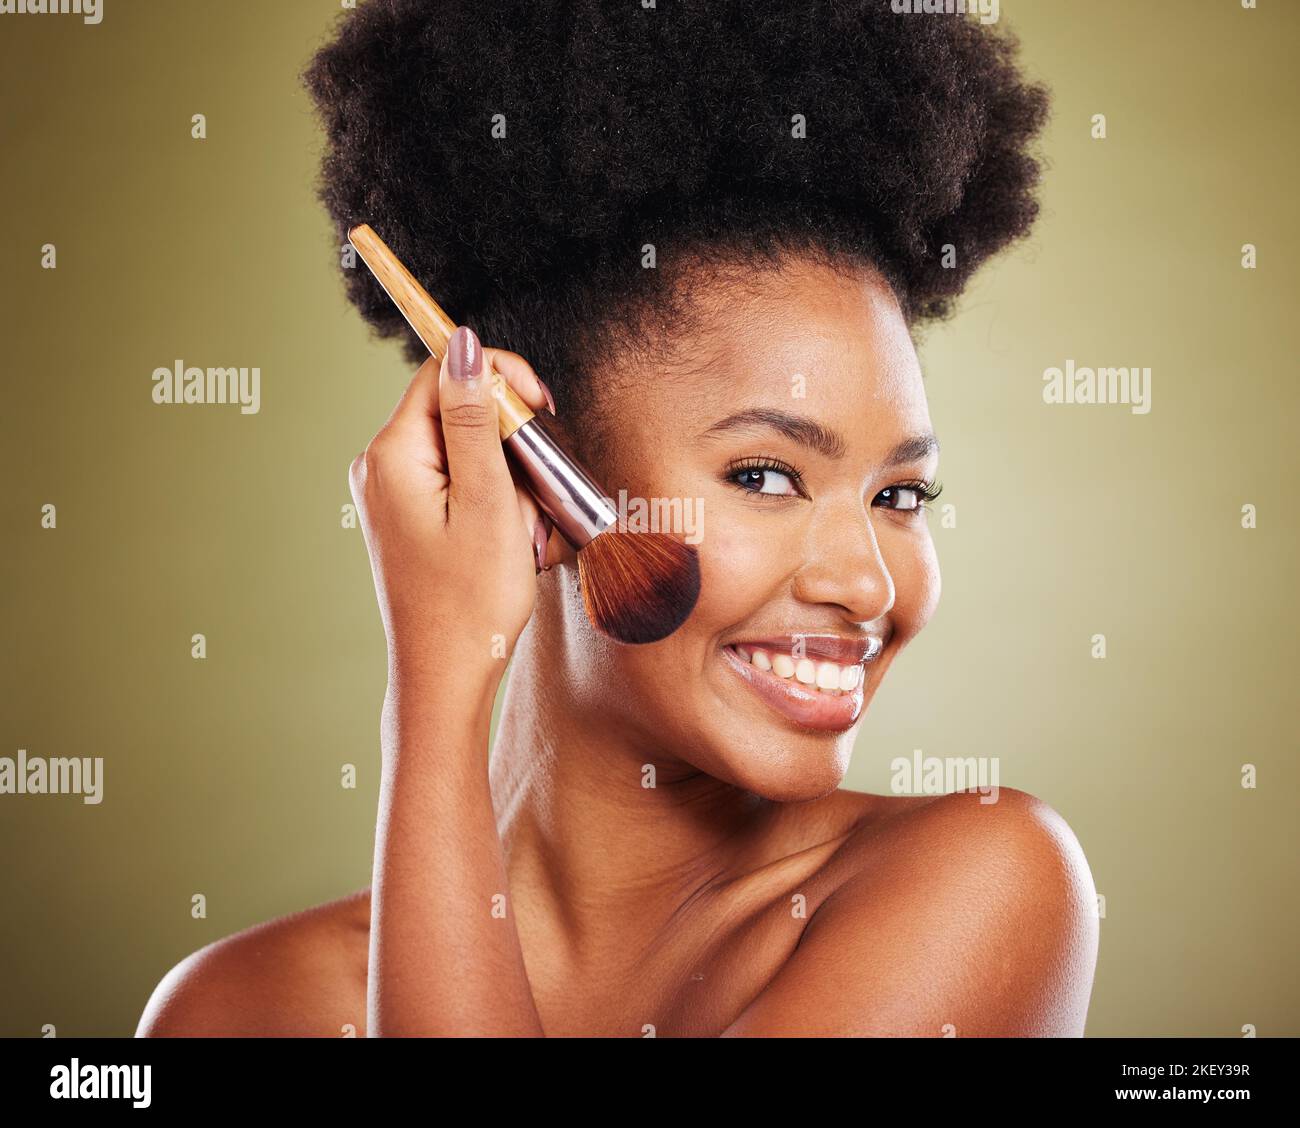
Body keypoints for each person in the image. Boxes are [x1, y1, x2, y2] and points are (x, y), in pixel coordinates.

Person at [137, 0, 1097, 1037]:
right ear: (530, 479)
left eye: (898, 496)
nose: (867, 586)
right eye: (766, 476)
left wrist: (432, 711)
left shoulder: (984, 886)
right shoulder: (236, 1010)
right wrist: (440, 676)